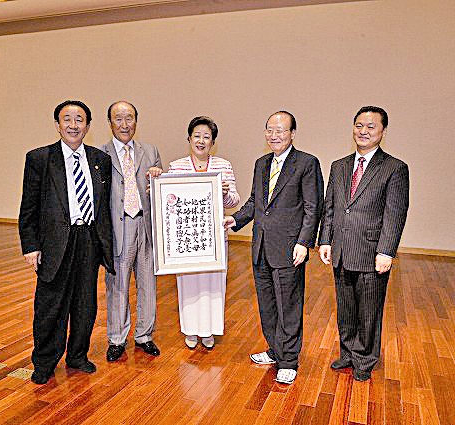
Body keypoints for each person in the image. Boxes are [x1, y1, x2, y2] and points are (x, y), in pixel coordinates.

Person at [19, 100, 114, 385]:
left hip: (89, 239)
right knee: (50, 305)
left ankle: (77, 355)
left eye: (80, 120)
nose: (74, 125)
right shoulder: (40, 158)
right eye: (67, 119)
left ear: (88, 125)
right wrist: (30, 245)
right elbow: (28, 207)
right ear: (57, 125)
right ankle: (44, 362)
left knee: (85, 303)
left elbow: (105, 206)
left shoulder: (100, 160)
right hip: (55, 242)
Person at [224, 111, 323, 385]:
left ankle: (289, 360)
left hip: (290, 248)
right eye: (270, 130)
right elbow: (255, 201)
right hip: (261, 247)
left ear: (292, 133)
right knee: (267, 305)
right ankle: (275, 350)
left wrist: (304, 242)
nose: (274, 135)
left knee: (288, 305)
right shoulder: (261, 163)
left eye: (280, 130)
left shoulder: (307, 163)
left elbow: (313, 207)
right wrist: (236, 220)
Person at [318, 106, 409, 382]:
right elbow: (331, 207)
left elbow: (395, 213)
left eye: (371, 126)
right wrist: (325, 240)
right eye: (359, 125)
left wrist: (386, 251)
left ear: (383, 131)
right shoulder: (339, 166)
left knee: (369, 310)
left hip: (371, 252)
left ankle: (364, 359)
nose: (363, 131)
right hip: (341, 250)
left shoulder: (394, 168)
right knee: (345, 308)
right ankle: (347, 353)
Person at [167, 116, 240, 349]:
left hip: (215, 237)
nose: (201, 141)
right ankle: (191, 330)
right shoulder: (176, 166)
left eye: (206, 137)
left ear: (213, 142)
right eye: (196, 136)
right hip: (186, 237)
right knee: (188, 284)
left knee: (214, 285)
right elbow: (168, 201)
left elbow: (234, 201)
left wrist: (225, 193)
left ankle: (209, 330)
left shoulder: (223, 166)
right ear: (189, 138)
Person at [101, 101, 163, 361]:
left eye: (129, 118)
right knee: (117, 285)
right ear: (110, 123)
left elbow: (161, 192)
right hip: (119, 226)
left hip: (145, 224)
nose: (124, 124)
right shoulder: (100, 154)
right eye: (118, 119)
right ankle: (117, 338)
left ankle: (144, 335)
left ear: (136, 121)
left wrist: (159, 176)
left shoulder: (150, 151)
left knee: (148, 283)